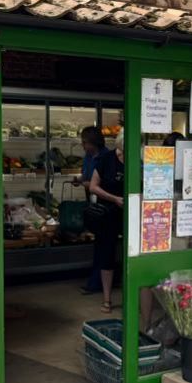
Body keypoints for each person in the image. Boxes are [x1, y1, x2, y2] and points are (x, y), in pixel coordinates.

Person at [89, 129, 124, 313]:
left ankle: (130, 296)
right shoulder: (106, 160)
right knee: (107, 255)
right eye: (121, 150)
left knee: (130, 256)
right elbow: (94, 187)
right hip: (108, 213)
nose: (123, 155)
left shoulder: (138, 160)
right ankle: (107, 299)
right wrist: (114, 199)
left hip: (130, 215)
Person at [73, 126, 109, 294]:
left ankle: (96, 283)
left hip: (104, 206)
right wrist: (79, 179)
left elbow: (104, 183)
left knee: (102, 244)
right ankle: (98, 280)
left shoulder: (106, 158)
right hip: (92, 205)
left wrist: (89, 184)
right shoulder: (88, 157)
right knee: (99, 244)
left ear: (93, 142)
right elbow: (86, 175)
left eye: (85, 142)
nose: (82, 145)